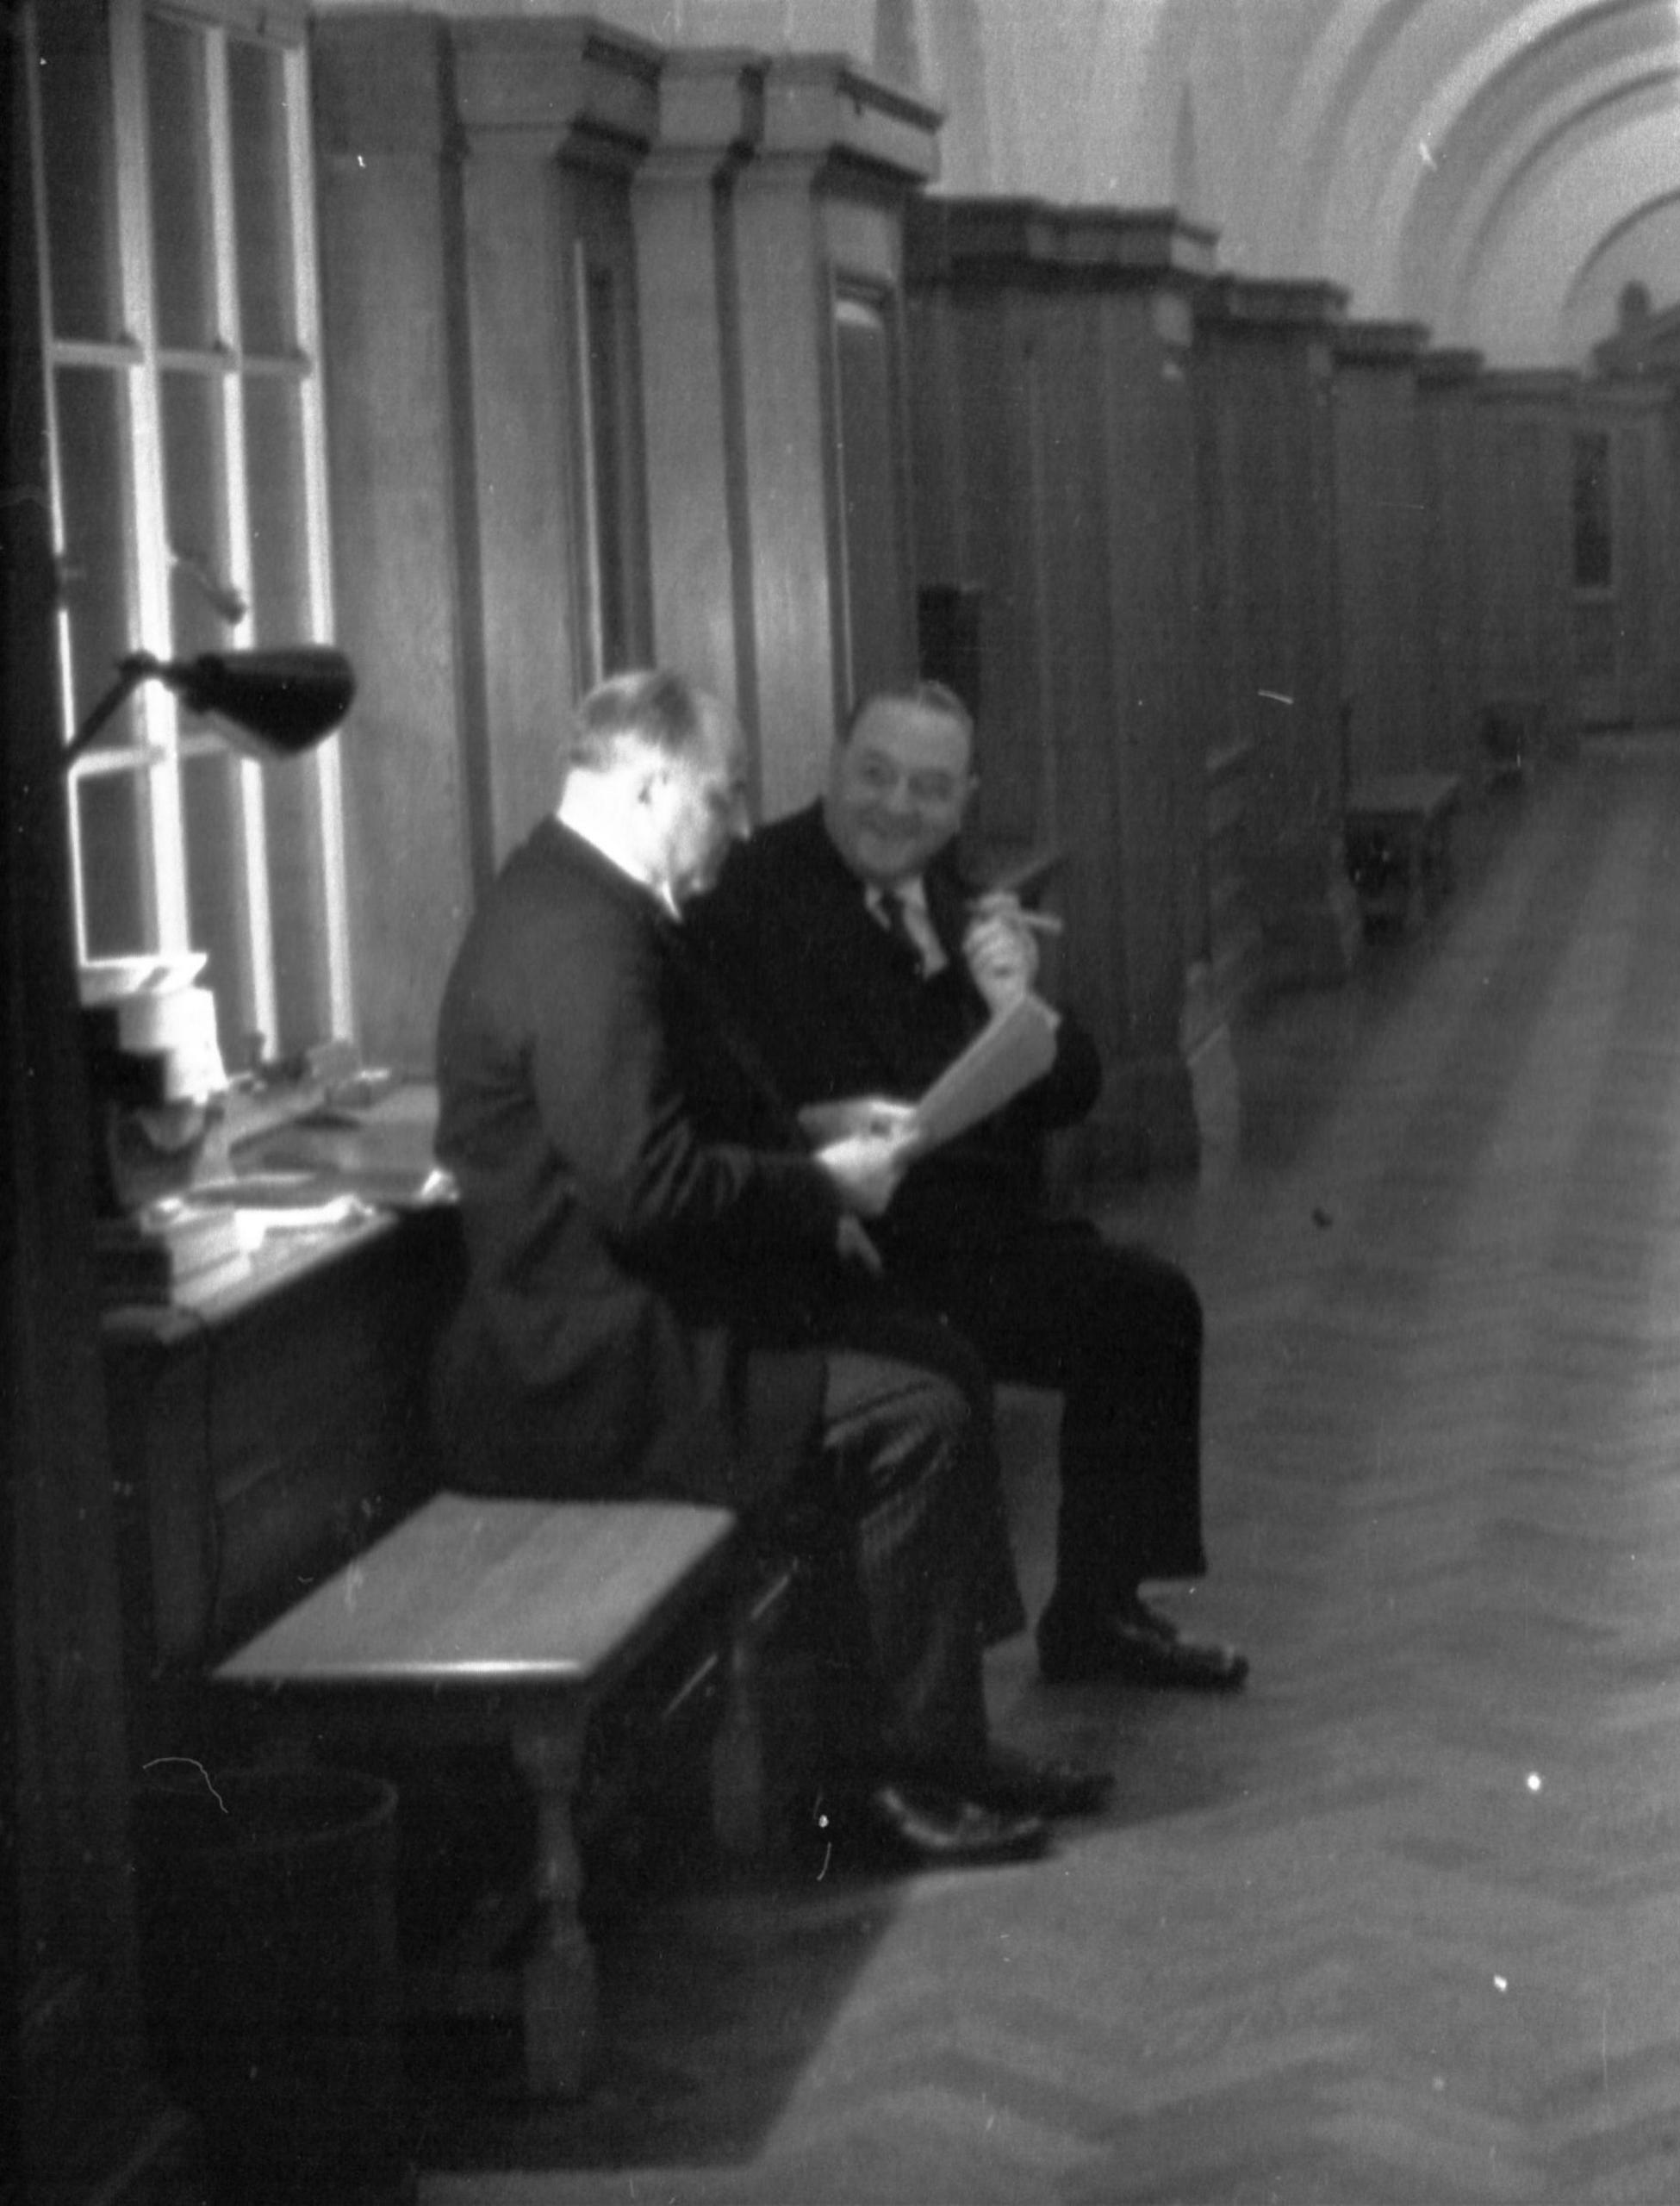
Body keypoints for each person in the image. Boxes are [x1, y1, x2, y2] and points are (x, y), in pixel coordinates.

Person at [432, 670, 1109, 1870]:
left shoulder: (589, 900)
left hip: (633, 1321)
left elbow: (662, 1143)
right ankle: (887, 1782)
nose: (742, 826)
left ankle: (941, 1738)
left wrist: (803, 1139)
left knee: (935, 1352)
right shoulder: (584, 937)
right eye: (722, 796)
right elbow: (645, 1191)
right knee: (920, 1418)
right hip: (595, 1368)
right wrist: (822, 1188)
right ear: (650, 786)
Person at [691, 682, 1248, 1692]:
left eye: (931, 788)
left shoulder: (949, 891)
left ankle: (1099, 1612)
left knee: (1150, 1310)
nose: (898, 806)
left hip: (974, 1233)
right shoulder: (752, 897)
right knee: (946, 1375)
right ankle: (938, 1704)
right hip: (849, 1246)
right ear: (832, 765)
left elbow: (1068, 1084)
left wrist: (1013, 1003)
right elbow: (736, 1105)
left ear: (964, 801)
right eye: (877, 774)